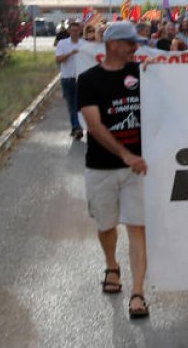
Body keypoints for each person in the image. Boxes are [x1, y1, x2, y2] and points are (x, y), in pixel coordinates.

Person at [77, 21, 150, 320]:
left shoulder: (144, 74)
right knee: (106, 225)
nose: (136, 47)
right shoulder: (88, 79)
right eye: (130, 42)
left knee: (137, 227)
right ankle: (112, 265)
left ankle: (138, 293)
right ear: (113, 45)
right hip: (101, 168)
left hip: (138, 171)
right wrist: (125, 154)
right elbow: (94, 126)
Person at [55, 20, 85, 141]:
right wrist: (71, 53)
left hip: (81, 79)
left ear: (80, 31)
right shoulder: (62, 43)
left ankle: (78, 127)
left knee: (79, 105)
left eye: (77, 30)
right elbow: (58, 59)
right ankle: (75, 127)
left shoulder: (84, 44)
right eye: (72, 30)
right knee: (71, 105)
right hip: (67, 78)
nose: (74, 32)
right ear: (69, 31)